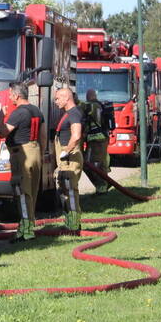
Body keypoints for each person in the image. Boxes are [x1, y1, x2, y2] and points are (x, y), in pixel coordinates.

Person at [0, 83, 44, 242]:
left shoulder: (18, 113)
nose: (10, 97)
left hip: (21, 155)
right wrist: (42, 153)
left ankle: (26, 231)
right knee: (32, 192)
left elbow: (2, 133)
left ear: (17, 96)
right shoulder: (36, 110)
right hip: (35, 151)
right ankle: (27, 226)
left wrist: (1, 117)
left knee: (22, 193)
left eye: (10, 95)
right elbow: (42, 135)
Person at [53, 87, 84, 231]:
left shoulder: (74, 113)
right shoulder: (68, 113)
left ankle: (74, 225)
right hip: (65, 158)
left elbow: (76, 135)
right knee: (63, 189)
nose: (56, 101)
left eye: (58, 98)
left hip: (70, 158)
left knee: (70, 190)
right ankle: (70, 222)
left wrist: (66, 151)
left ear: (67, 98)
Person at [79, 89, 111, 194]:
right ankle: (105, 184)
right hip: (102, 139)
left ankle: (101, 187)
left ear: (89, 96)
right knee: (102, 166)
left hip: (95, 140)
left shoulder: (90, 106)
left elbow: (79, 105)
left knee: (87, 164)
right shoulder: (100, 105)